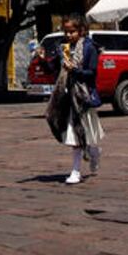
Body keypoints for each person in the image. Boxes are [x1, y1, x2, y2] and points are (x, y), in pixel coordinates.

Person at [45, 15, 104, 185]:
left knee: (84, 135)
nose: (69, 35)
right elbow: (54, 68)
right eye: (66, 32)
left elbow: (91, 73)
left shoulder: (89, 48)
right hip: (66, 97)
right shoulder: (63, 48)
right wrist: (44, 60)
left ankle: (85, 162)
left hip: (83, 97)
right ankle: (84, 162)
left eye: (72, 31)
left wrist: (74, 70)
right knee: (75, 136)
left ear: (81, 31)